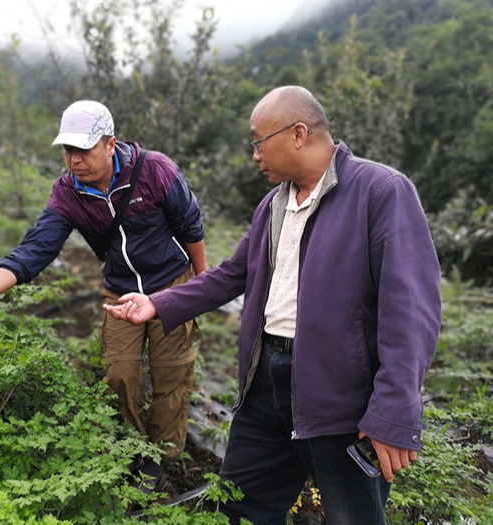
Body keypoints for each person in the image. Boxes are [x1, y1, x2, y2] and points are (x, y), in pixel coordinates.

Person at [104, 86, 441, 523]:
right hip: (264, 385)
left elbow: (411, 309)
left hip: (341, 398)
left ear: (298, 134)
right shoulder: (274, 203)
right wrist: (158, 303)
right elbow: (233, 273)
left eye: (259, 141)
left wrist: (393, 410)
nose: (255, 155)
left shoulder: (380, 192)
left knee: (351, 516)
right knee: (241, 508)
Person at [0, 100, 207, 486]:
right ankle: (134, 452)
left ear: (110, 144)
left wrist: (200, 286)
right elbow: (36, 250)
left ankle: (162, 458)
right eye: (68, 150)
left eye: (83, 149)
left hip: (172, 283)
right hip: (120, 291)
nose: (74, 160)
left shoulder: (154, 170)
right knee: (119, 371)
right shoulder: (69, 193)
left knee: (172, 374)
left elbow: (190, 225)